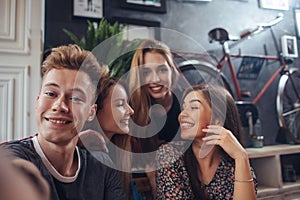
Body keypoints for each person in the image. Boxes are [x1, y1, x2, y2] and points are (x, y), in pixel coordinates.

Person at [3, 44, 126, 200]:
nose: (59, 106)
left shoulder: (101, 165)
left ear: (91, 112)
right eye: (51, 93)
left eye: (75, 98)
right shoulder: (12, 157)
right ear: (38, 101)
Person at [156, 84, 257, 199]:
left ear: (217, 120)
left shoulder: (234, 164)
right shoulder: (169, 155)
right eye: (183, 108)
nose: (182, 115)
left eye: (194, 107)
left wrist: (241, 156)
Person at [128, 39, 189, 197]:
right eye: (146, 72)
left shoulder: (187, 102)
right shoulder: (131, 107)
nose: (155, 79)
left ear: (172, 70)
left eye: (162, 70)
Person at [80, 76, 135, 199]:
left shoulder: (115, 154)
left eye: (128, 103)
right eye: (120, 104)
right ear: (94, 110)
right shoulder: (93, 156)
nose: (130, 111)